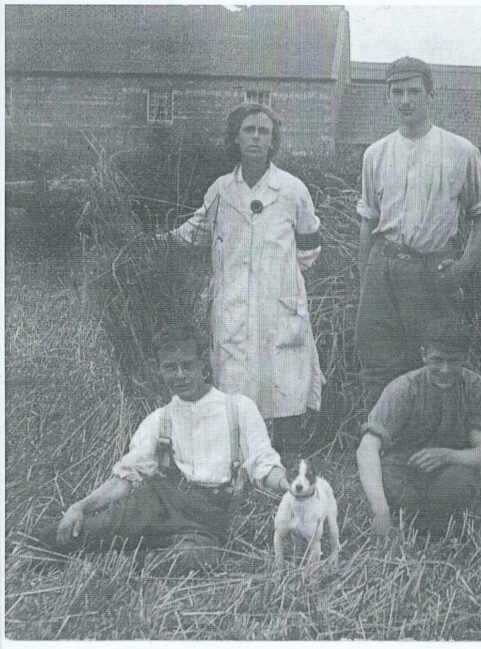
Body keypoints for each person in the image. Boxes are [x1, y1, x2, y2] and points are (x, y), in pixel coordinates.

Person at [23, 324, 289, 572]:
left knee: (194, 559)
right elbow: (123, 481)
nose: (180, 375)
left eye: (187, 366)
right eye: (170, 367)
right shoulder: (159, 420)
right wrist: (80, 507)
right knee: (67, 535)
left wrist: (288, 484)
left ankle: (136, 562)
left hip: (203, 522)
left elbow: (263, 464)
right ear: (160, 370)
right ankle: (19, 548)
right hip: (152, 507)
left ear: (203, 365)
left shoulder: (239, 409)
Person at [163, 103, 324, 457]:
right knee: (235, 380)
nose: (255, 137)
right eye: (248, 130)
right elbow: (196, 232)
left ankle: (287, 458)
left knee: (286, 380)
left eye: (263, 131)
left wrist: (282, 280)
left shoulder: (292, 190)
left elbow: (310, 245)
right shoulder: (220, 191)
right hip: (232, 304)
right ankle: (239, 460)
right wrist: (157, 242)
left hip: (280, 304)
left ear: (273, 141)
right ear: (235, 139)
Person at [356, 56, 481, 403]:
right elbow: (368, 220)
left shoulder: (461, 151)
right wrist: (365, 276)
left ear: (430, 95)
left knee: (437, 364)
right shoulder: (375, 154)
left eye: (414, 91)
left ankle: (430, 447)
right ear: (387, 97)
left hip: (432, 272)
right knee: (378, 364)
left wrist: (462, 269)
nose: (405, 100)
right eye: (397, 92)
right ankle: (382, 448)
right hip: (384, 267)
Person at [356, 318, 481, 538]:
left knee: (460, 484)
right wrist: (380, 510)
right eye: (437, 360)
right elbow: (367, 448)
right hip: (404, 470)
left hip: (449, 470)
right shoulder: (403, 389)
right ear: (423, 355)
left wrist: (446, 455)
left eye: (453, 361)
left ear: (465, 358)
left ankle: (433, 525)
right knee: (387, 481)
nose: (445, 369)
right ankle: (412, 520)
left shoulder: (477, 390)